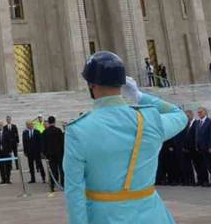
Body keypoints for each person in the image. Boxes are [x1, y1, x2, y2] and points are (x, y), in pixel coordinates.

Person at [63, 51, 187, 224]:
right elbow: (179, 115)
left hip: (105, 217)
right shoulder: (149, 120)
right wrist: (139, 96)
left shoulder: (78, 130)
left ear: (91, 84)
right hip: (153, 216)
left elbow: (74, 192)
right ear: (122, 83)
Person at [42, 116, 64, 192]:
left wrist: (45, 154)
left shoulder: (45, 132)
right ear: (54, 121)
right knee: (61, 170)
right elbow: (62, 143)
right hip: (59, 154)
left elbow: (43, 145)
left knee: (52, 170)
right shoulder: (58, 130)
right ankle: (63, 184)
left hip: (50, 155)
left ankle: (52, 185)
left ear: (48, 122)